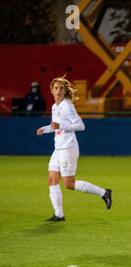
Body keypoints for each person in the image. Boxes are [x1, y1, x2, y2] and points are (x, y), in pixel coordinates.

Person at [36, 76, 112, 222]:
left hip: (67, 147)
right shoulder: (55, 106)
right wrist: (44, 130)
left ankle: (104, 192)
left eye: (61, 88)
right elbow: (55, 126)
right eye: (56, 88)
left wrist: (60, 126)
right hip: (58, 148)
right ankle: (59, 214)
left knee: (69, 184)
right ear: (51, 90)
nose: (58, 91)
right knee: (52, 179)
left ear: (65, 91)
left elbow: (80, 125)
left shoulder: (67, 106)